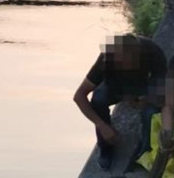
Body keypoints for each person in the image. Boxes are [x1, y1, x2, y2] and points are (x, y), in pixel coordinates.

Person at [72, 34, 167, 170]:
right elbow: (79, 96)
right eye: (120, 62)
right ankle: (105, 147)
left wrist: (148, 99)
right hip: (115, 86)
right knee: (98, 98)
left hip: (144, 84)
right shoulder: (106, 59)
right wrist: (102, 125)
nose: (126, 65)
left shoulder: (152, 52)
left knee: (150, 112)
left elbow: (163, 87)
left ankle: (145, 150)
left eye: (131, 61)